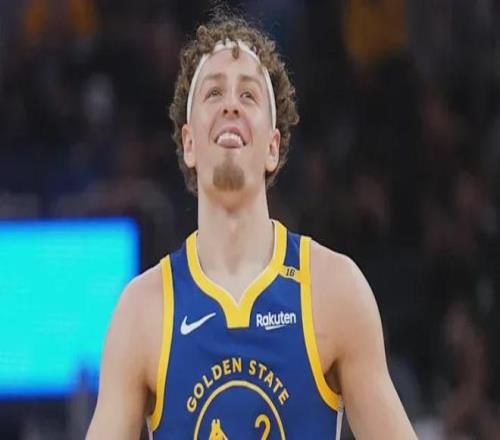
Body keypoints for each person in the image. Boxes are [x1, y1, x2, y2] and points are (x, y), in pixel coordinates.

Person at [86, 11, 417, 440]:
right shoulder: (141, 312)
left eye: (248, 94)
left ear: (273, 147)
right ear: (189, 143)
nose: (231, 104)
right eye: (214, 92)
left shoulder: (335, 289)